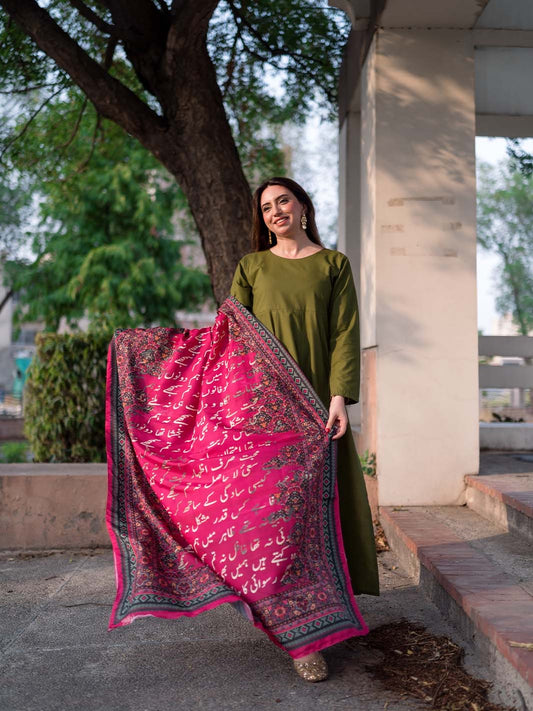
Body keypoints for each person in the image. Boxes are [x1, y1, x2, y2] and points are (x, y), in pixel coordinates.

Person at [230, 176, 379, 681]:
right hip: (266, 410)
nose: (276, 211)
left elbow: (345, 332)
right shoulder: (251, 267)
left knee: (318, 511)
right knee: (278, 516)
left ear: (302, 206)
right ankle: (298, 636)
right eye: (266, 207)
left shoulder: (333, 264)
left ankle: (320, 621)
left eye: (283, 201)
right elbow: (232, 339)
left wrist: (339, 397)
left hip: (319, 406)